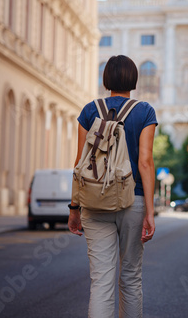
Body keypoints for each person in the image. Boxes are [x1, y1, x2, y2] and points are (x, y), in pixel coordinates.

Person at [68, 55, 157, 318]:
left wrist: (74, 207)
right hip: (133, 201)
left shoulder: (89, 110)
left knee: (101, 282)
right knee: (130, 277)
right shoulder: (145, 111)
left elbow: (79, 163)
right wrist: (150, 212)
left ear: (106, 79)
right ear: (133, 79)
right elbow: (145, 162)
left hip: (94, 202)